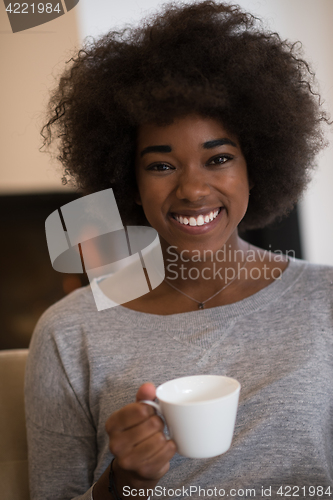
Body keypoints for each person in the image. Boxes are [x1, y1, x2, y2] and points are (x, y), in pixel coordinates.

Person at [25, 1, 333, 499]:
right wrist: (124, 483)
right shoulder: (70, 332)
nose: (192, 189)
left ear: (256, 164)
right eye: (162, 165)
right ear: (128, 178)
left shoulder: (326, 300)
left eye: (219, 158)